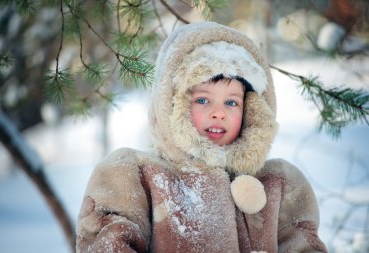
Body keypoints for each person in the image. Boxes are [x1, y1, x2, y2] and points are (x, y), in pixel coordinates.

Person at [76, 21, 327, 253]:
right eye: (203, 100)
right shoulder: (134, 174)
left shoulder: (279, 182)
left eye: (231, 102)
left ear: (251, 110)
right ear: (174, 104)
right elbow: (108, 243)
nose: (218, 113)